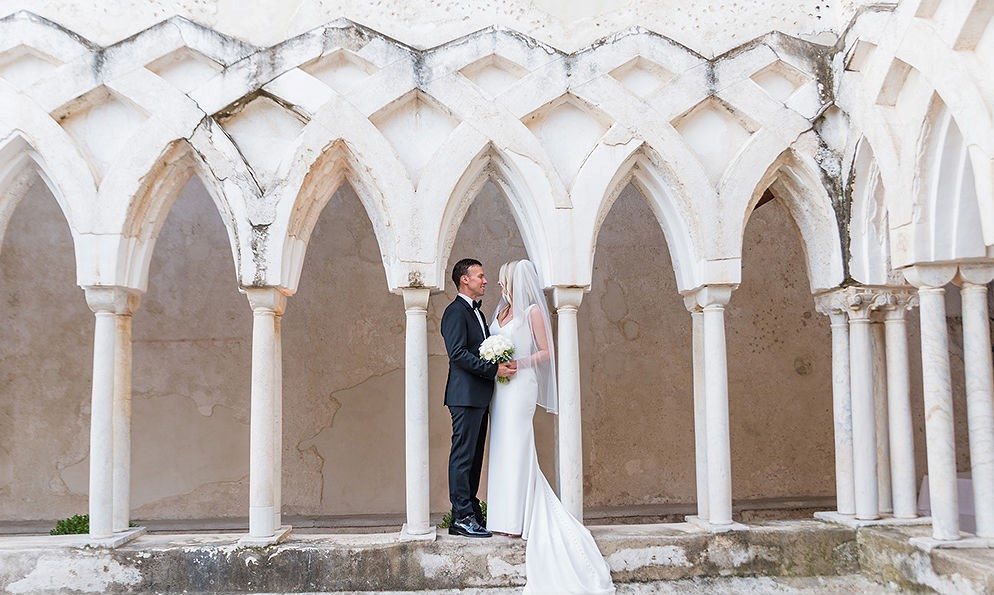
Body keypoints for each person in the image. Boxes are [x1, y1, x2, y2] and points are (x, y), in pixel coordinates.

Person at [486, 259, 615, 594]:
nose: (501, 287)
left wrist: (520, 362)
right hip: (500, 389)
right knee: (501, 448)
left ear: (516, 282)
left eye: (504, 281)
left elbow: (546, 353)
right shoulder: (500, 312)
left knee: (518, 445)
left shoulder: (531, 312)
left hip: (522, 385)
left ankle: (521, 519)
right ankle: (503, 518)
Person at [441, 258, 517, 538]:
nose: (485, 281)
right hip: (464, 396)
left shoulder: (477, 313)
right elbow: (458, 354)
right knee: (463, 456)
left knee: (473, 458)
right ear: (464, 279)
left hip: (479, 396)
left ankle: (470, 510)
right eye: (480, 276)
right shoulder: (455, 312)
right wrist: (493, 369)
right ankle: (461, 516)